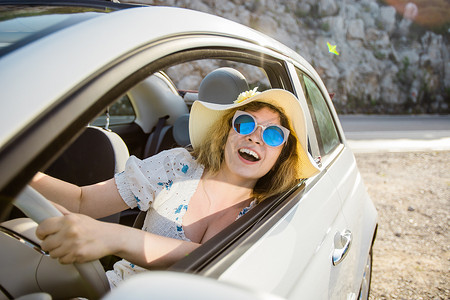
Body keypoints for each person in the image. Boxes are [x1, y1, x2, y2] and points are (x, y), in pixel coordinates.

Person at [31, 88, 319, 287]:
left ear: (282, 153)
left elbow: (204, 261)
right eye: (244, 123)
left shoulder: (270, 211)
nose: (255, 137)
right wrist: (23, 176)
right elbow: (82, 201)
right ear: (226, 133)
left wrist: (115, 237)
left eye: (272, 133)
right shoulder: (177, 165)